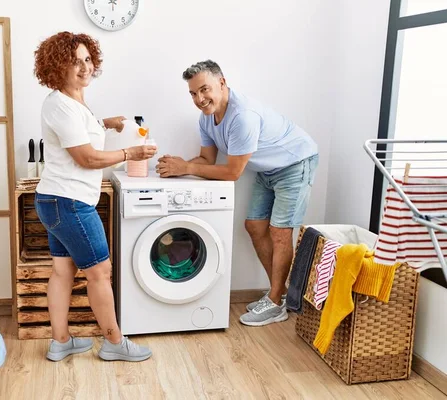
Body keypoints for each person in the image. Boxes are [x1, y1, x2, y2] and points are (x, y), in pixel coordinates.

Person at [156, 60, 318, 327]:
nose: (199, 98)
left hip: (295, 162)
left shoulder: (243, 117)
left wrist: (185, 167)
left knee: (280, 232)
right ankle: (279, 294)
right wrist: (179, 167)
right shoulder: (206, 118)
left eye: (204, 90)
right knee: (254, 226)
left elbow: (232, 172)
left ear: (222, 83)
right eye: (193, 94)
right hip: (267, 170)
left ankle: (276, 302)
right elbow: (207, 159)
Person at [33, 32, 156, 361]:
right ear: (57, 66)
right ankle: (115, 343)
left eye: (87, 59)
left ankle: (61, 341)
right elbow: (85, 158)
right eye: (75, 61)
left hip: (56, 200)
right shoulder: (61, 105)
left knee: (62, 272)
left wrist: (105, 123)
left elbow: (77, 133)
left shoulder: (72, 102)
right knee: (100, 272)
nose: (84, 66)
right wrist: (130, 152)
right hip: (70, 202)